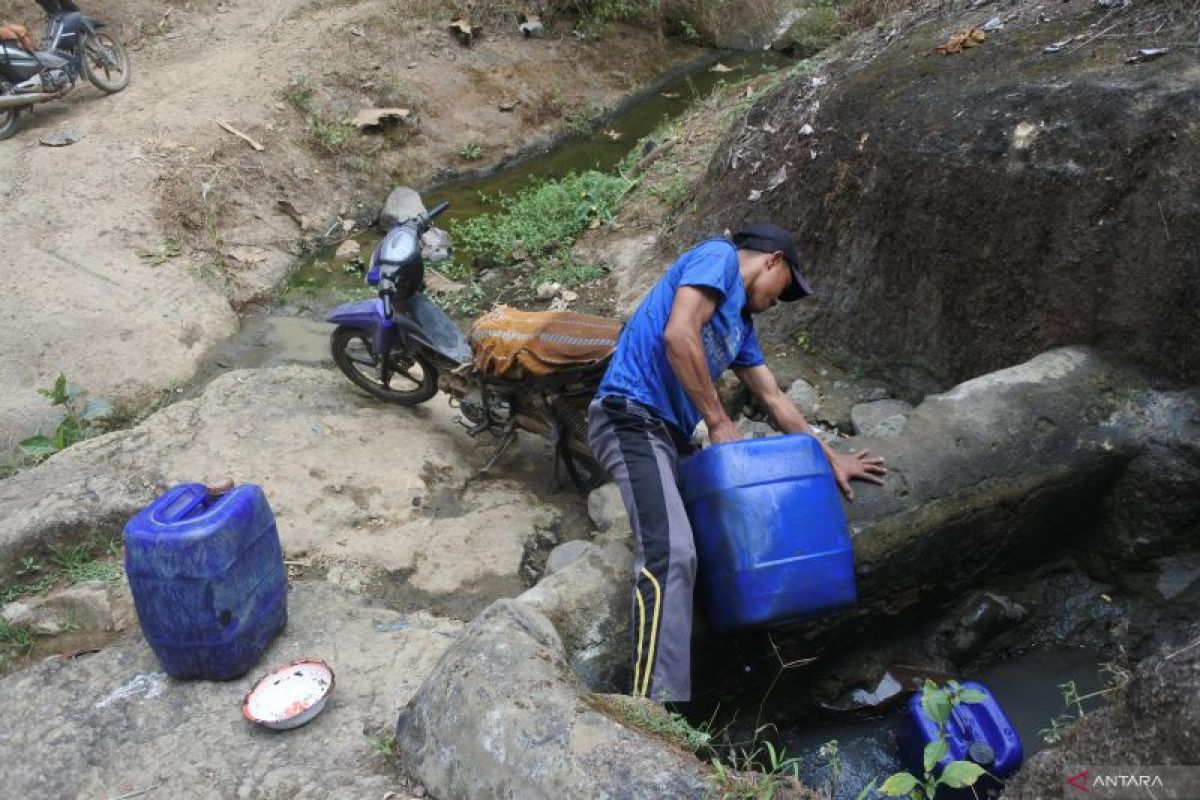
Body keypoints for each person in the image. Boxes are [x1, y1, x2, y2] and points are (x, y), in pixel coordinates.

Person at [587, 224, 886, 703]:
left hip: (671, 436)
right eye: (783, 289)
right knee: (672, 552)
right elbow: (678, 334)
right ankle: (649, 708)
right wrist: (719, 421)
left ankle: (726, 689)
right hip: (630, 418)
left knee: (721, 549)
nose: (776, 302)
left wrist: (828, 458)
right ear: (772, 261)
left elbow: (774, 398)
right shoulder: (718, 258)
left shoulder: (741, 326)